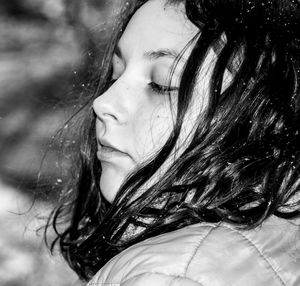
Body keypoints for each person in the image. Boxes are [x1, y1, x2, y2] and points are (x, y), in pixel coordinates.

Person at [46, 0, 300, 285]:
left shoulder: (174, 274)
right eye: (116, 75)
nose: (103, 103)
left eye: (160, 84)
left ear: (263, 118)